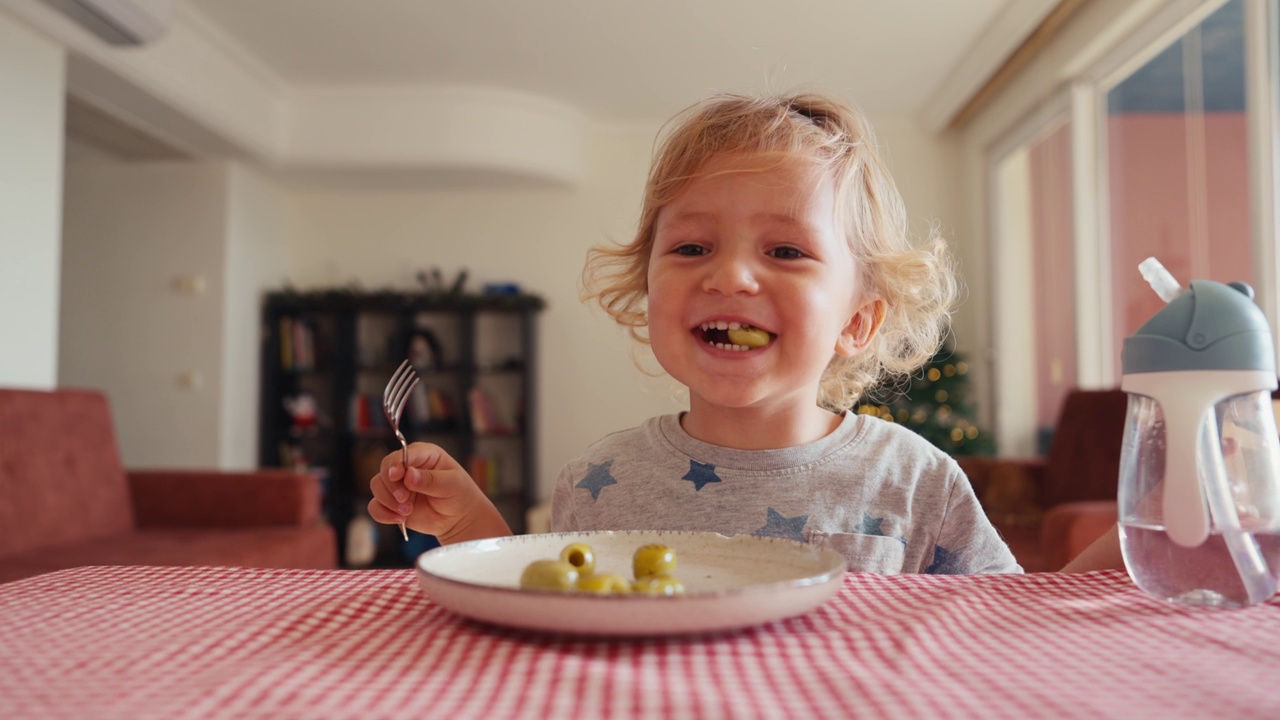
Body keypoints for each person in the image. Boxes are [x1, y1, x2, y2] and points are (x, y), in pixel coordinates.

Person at [369, 90, 1021, 574]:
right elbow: (546, 609)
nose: (731, 276)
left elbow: (1006, 632)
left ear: (855, 321)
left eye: (786, 252)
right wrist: (466, 522)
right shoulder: (598, 481)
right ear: (648, 290)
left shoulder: (916, 481)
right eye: (691, 248)